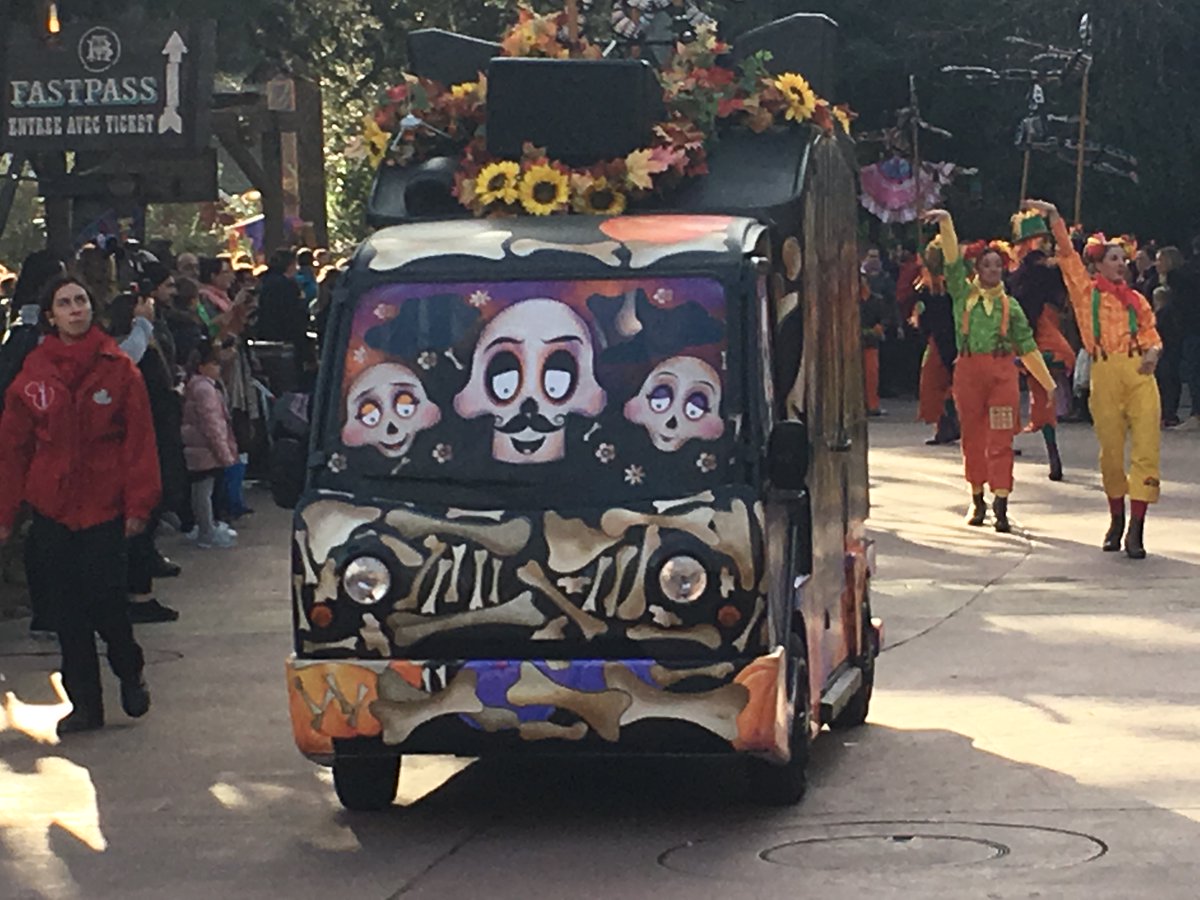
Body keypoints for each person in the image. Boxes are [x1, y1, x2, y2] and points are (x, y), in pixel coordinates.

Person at [0, 275, 158, 734]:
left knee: (106, 602)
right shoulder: (34, 374)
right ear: (51, 316)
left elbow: (140, 442)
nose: (75, 309)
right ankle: (85, 704)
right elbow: (13, 449)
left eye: (81, 301)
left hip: (104, 507)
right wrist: (5, 514)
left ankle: (129, 668)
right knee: (67, 611)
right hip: (53, 508)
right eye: (65, 303)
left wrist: (139, 505)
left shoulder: (119, 369)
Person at [1024, 199, 1163, 559]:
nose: (1121, 264)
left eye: (1123, 259)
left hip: (1139, 376)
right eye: (1113, 258)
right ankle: (1116, 518)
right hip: (1105, 373)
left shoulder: (1137, 300)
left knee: (1146, 450)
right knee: (1111, 454)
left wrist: (1153, 352)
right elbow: (1067, 255)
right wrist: (1054, 217)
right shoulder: (1086, 294)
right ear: (1098, 264)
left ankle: (1137, 528)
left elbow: (1151, 333)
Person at [922, 209, 1056, 533]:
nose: (993, 270)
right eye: (987, 265)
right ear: (977, 269)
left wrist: (1047, 382)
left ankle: (1001, 502)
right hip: (968, 373)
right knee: (972, 437)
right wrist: (946, 222)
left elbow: (1026, 345)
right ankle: (977, 497)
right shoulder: (963, 296)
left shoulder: (1011, 306)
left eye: (997, 265)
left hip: (1001, 375)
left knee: (1001, 438)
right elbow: (952, 262)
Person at [108, 291, 185, 623]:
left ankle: (141, 580)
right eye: (144, 301)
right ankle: (137, 595)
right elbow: (131, 360)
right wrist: (141, 323)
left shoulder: (150, 340)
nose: (151, 305)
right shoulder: (126, 347)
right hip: (145, 436)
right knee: (142, 514)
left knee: (153, 509)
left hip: (159, 429)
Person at [1007, 210, 1073, 481]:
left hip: (1030, 332)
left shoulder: (1021, 272)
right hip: (1036, 331)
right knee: (1041, 391)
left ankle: (1038, 448)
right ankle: (1049, 450)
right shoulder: (1042, 269)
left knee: (1031, 391)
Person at [182, 342, 240, 549]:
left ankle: (205, 526)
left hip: (197, 448)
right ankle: (207, 530)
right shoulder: (205, 390)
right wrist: (224, 453)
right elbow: (212, 424)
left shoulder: (195, 386)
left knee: (201, 490)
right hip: (205, 449)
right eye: (214, 364)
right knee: (204, 491)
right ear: (202, 367)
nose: (218, 368)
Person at [914, 236, 960, 445]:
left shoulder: (933, 286)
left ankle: (948, 422)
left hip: (944, 339)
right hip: (951, 336)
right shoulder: (940, 285)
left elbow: (924, 317)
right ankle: (945, 426)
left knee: (934, 383)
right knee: (941, 382)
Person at [1153, 247, 1185, 428]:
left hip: (1171, 335)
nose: (1157, 264)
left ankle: (1169, 413)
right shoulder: (1157, 282)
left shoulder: (1178, 285)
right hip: (1160, 334)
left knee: (1168, 375)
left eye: (1160, 260)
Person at [860, 274, 889, 417]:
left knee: (871, 376)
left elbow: (885, 318)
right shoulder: (852, 301)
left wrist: (881, 327)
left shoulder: (877, 300)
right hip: (855, 343)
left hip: (871, 343)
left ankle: (872, 405)